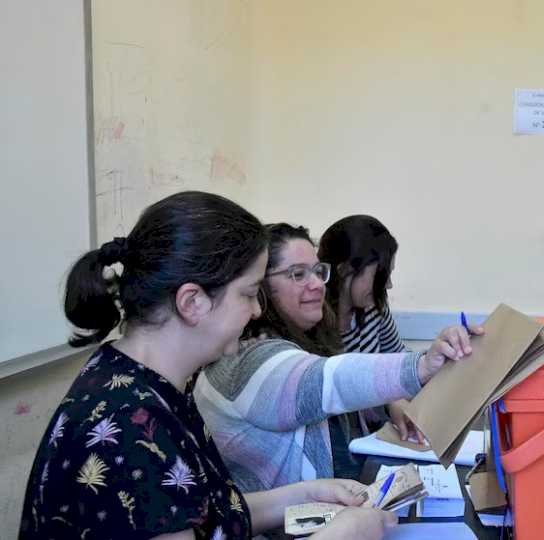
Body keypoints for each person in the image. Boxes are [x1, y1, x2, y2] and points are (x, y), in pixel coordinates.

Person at [20, 191, 396, 540]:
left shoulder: (148, 382)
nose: (257, 310)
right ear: (192, 302)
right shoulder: (129, 428)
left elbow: (206, 513)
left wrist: (305, 494)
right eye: (249, 294)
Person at [194, 223, 481, 495]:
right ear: (262, 287)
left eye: (318, 271)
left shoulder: (307, 337)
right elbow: (328, 381)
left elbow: (338, 398)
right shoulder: (251, 356)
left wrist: (388, 403)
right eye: (298, 274)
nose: (318, 284)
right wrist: (421, 366)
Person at [316, 215, 420, 480]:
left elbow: (397, 362)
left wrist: (395, 399)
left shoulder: (374, 307)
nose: (388, 285)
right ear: (344, 271)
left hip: (371, 437)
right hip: (335, 453)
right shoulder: (312, 321)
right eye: (382, 275)